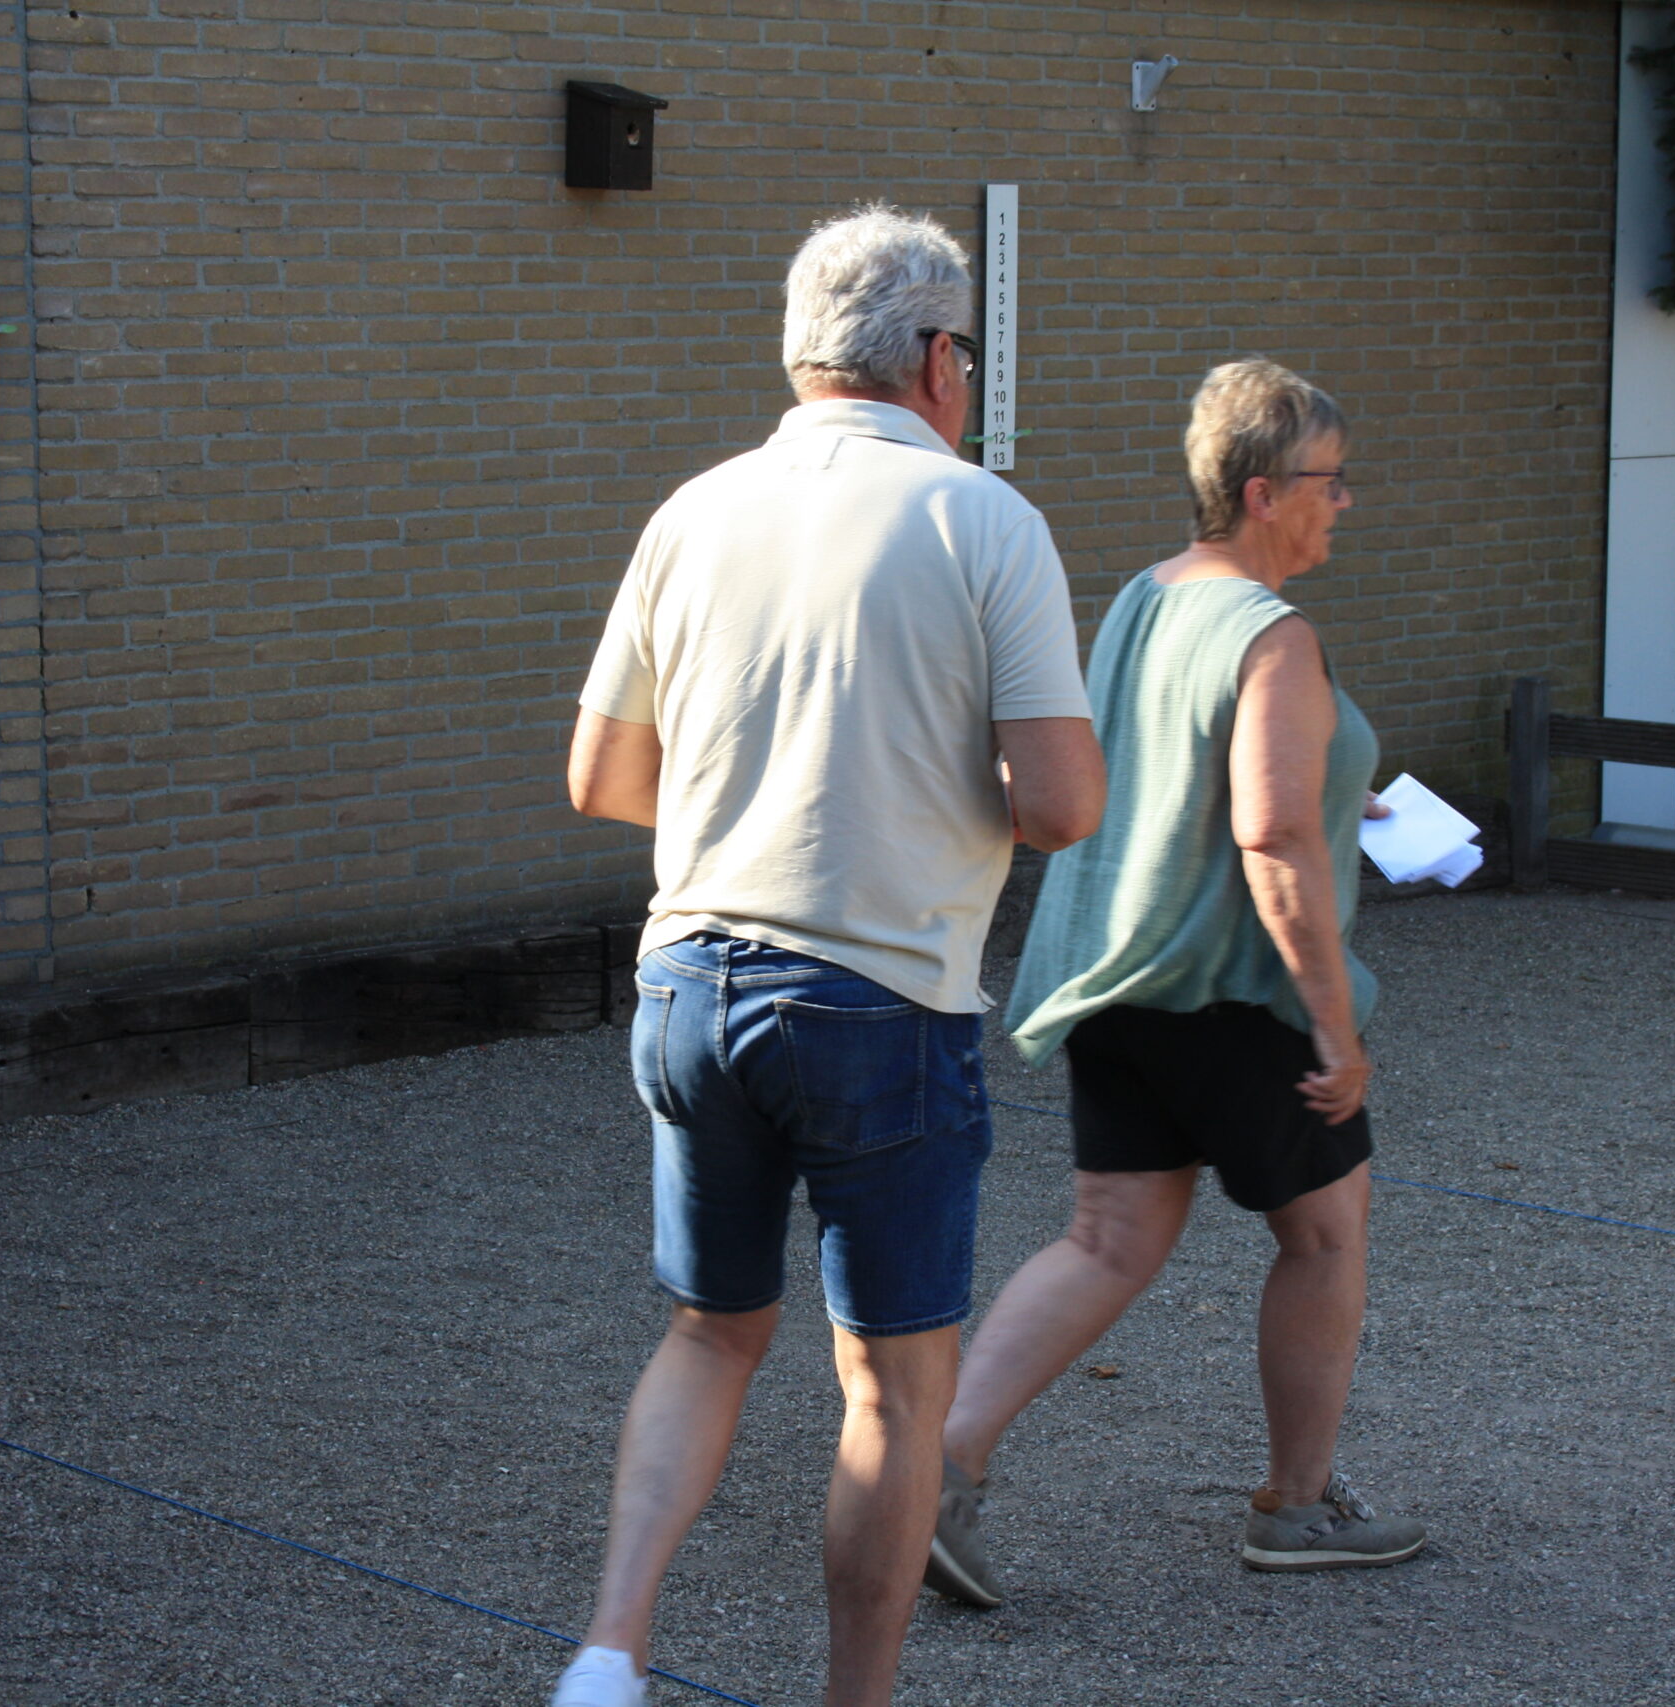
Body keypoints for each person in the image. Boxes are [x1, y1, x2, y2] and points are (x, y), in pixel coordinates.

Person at [555, 205, 1103, 1707]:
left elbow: (601, 776)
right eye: (967, 351)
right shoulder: (984, 520)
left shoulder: (693, 510)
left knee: (709, 1330)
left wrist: (770, 795)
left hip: (688, 981)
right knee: (894, 1390)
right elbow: (1063, 804)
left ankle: (610, 1646)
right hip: (879, 996)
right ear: (936, 358)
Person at [923, 358, 1425, 1609]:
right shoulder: (1272, 634)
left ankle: (935, 1469)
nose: (1343, 501)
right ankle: (1295, 1507)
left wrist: (1340, 793)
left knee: (1106, 1241)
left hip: (1115, 982)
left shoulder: (1148, 598)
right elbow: (1270, 836)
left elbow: (1178, 768)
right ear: (1262, 492)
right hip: (1234, 994)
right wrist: (1332, 1024)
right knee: (1325, 1236)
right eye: (1328, 480)